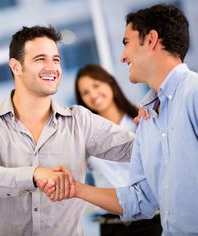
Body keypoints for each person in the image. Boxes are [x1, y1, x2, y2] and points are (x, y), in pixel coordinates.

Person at [0, 25, 134, 236]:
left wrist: (159, 120)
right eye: (40, 59)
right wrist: (34, 174)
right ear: (16, 67)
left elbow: (135, 149)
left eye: (56, 59)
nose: (52, 67)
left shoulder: (80, 121)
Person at [41, 4, 198, 235]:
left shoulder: (193, 93)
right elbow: (141, 198)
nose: (123, 57)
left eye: (126, 43)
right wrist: (75, 189)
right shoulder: (148, 120)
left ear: (151, 40)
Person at [75, 64, 162, 236]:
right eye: (85, 92)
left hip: (152, 221)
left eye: (96, 85)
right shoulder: (84, 137)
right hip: (111, 225)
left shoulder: (142, 120)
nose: (93, 95)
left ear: (110, 83)